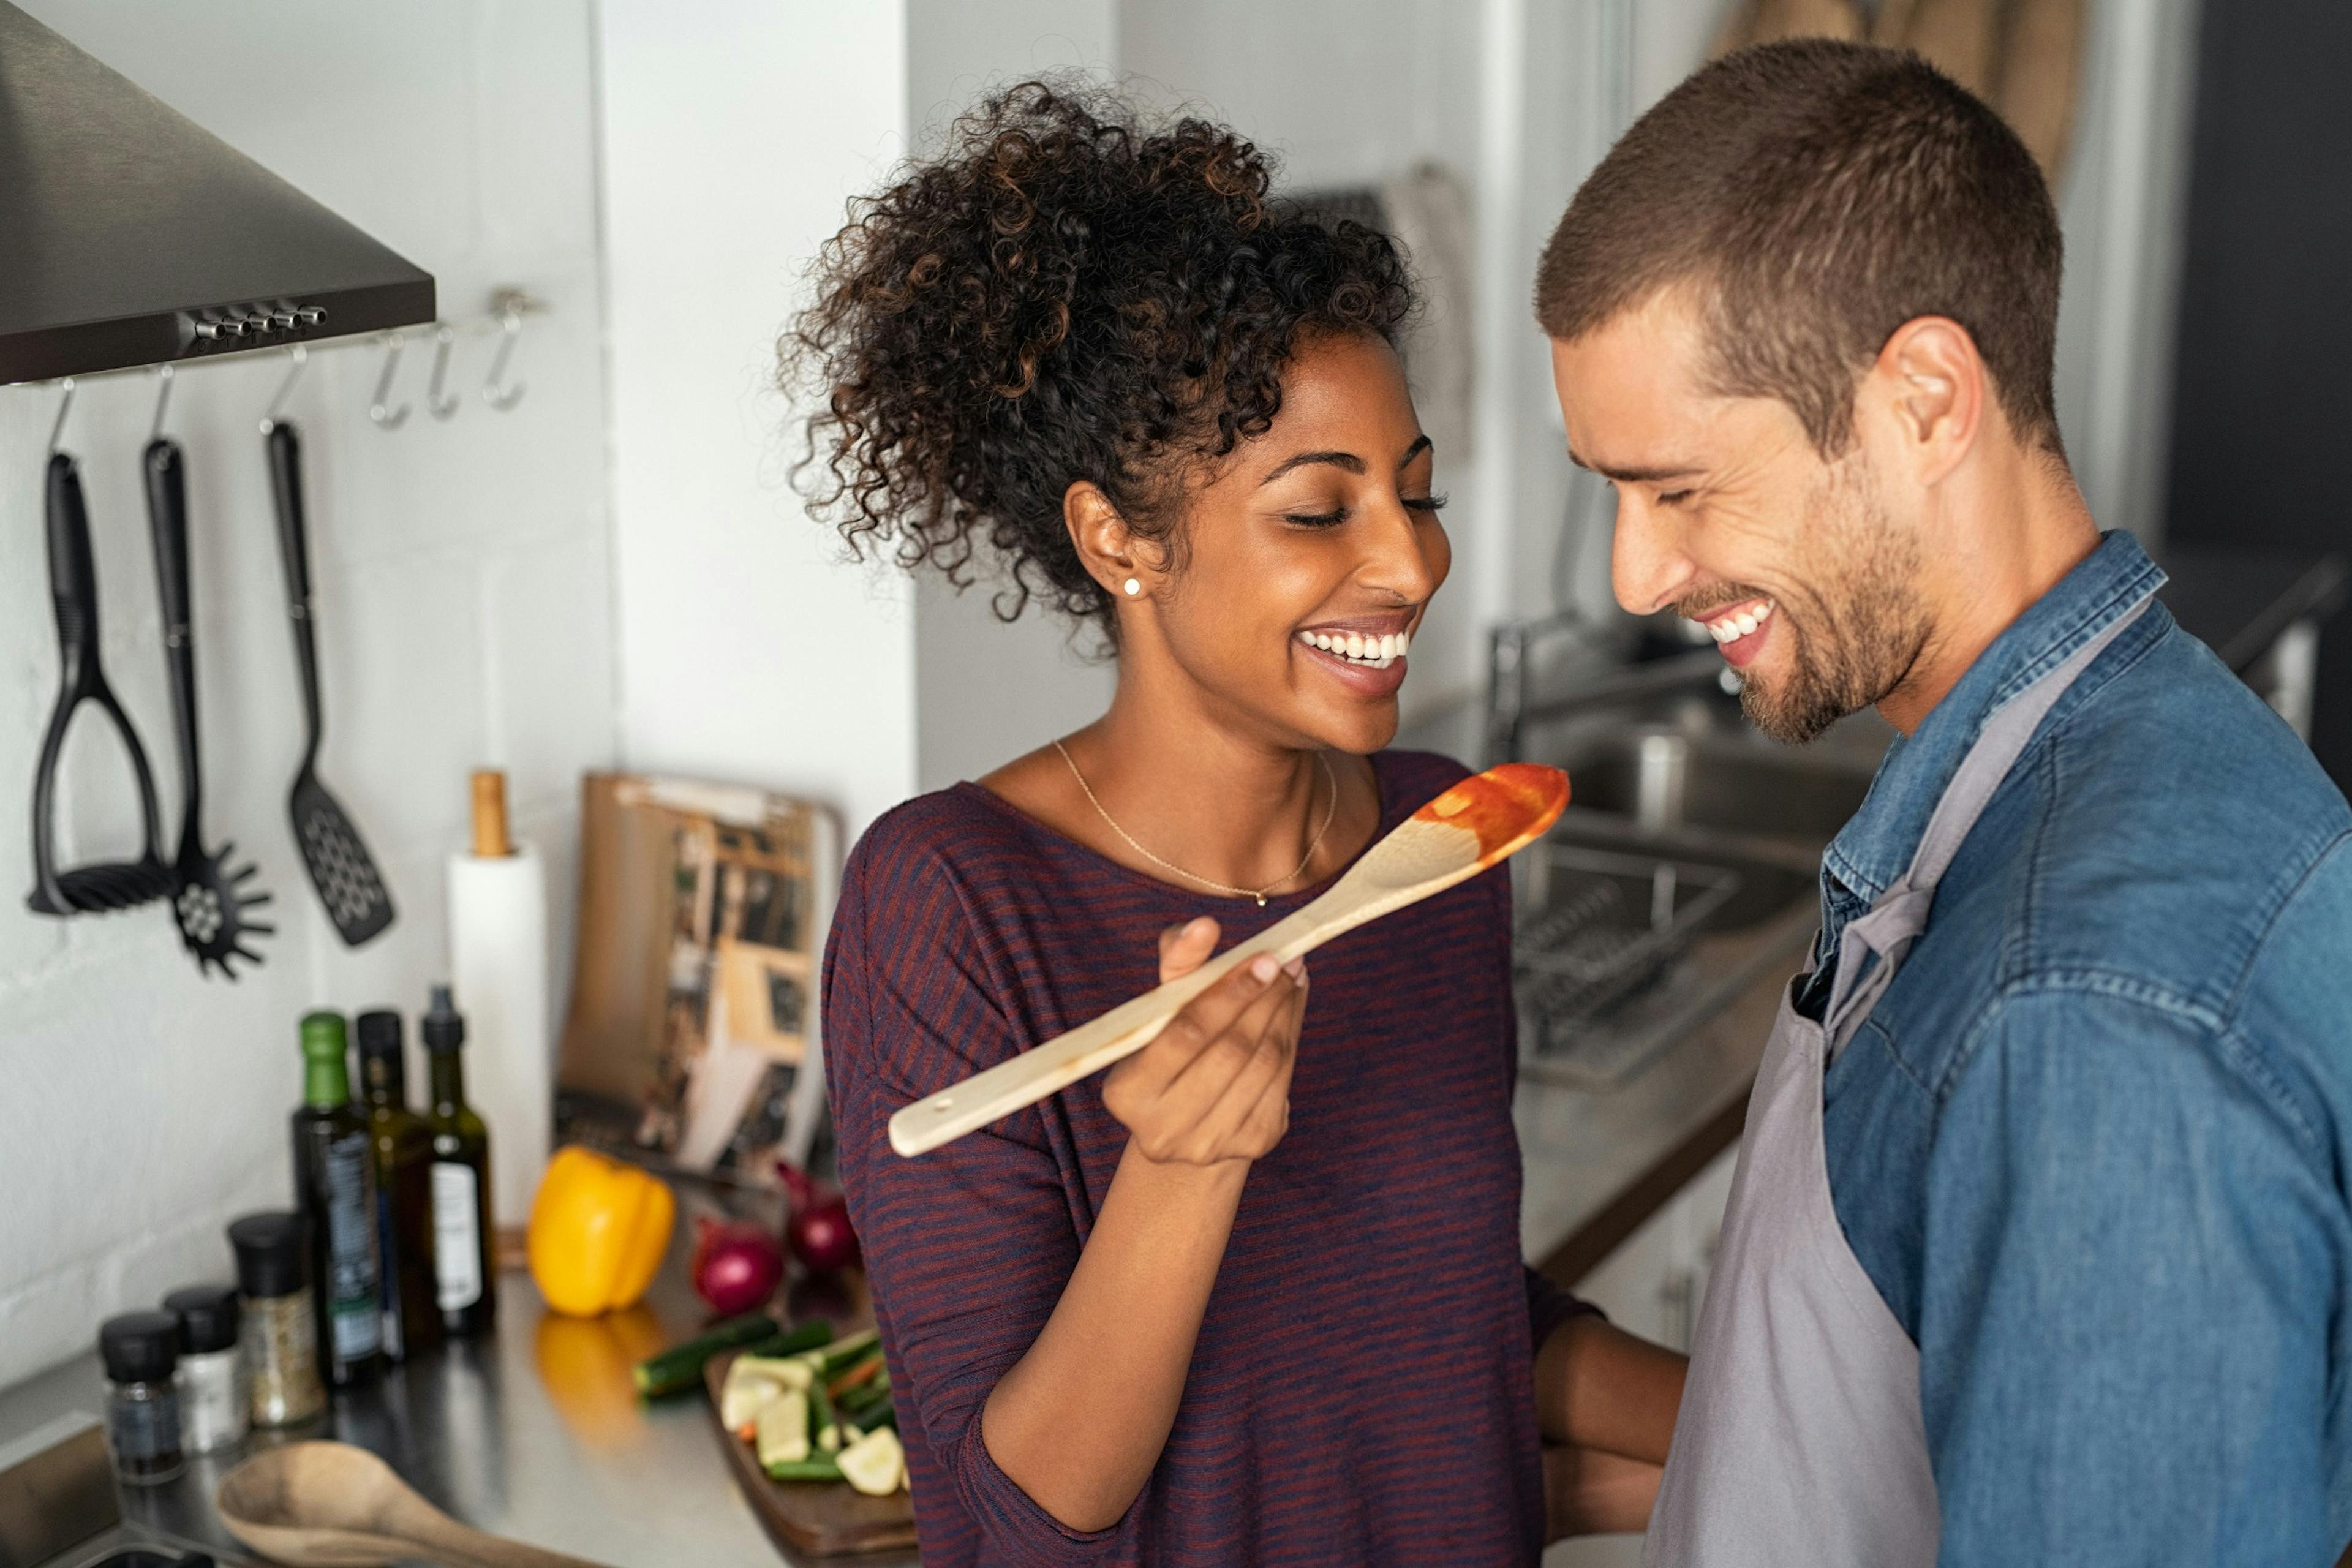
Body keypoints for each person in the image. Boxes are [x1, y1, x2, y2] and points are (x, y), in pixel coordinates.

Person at [799, 83, 1684, 1567]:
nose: (1411, 561)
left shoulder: (1438, 841)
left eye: (1418, 492)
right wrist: (1182, 1166)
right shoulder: (950, 900)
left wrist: (1816, 1418)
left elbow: (1446, 1313)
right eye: (1318, 510)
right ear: (1120, 540)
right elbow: (1018, 1517)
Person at [1536, 37, 2352, 1567]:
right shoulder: (2150, 741)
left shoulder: (2087, 1011)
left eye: (1680, 487)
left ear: (1924, 397)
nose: (1632, 577)